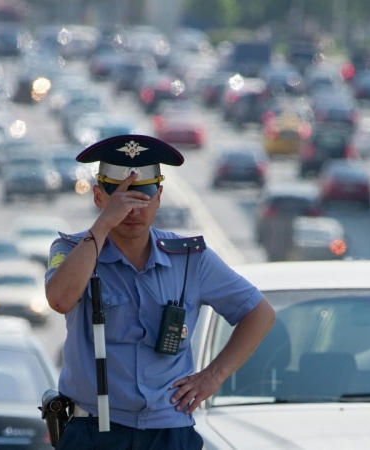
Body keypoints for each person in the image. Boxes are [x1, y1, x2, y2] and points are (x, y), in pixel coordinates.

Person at [44, 134, 276, 449]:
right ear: (99, 197)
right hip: (96, 430)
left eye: (142, 199)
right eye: (121, 199)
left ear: (159, 197)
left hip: (169, 431)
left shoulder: (190, 258)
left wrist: (212, 377)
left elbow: (259, 313)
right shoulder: (72, 250)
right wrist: (102, 226)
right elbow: (59, 299)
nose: (132, 211)